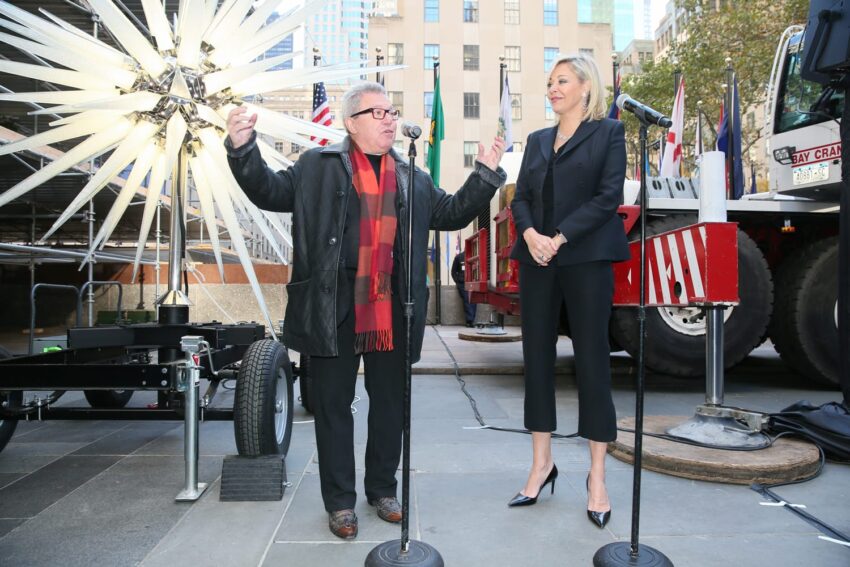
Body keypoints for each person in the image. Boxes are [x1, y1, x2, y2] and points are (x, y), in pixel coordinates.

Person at [225, 82, 506, 539]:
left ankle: (382, 489)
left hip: (393, 305)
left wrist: (486, 173)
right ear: (351, 123)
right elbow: (269, 192)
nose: (390, 120)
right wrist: (243, 149)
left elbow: (451, 213)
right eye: (378, 113)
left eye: (392, 111)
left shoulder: (412, 174)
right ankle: (339, 502)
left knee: (390, 403)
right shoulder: (317, 166)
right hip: (331, 302)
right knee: (333, 405)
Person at [507, 53, 629, 529]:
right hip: (537, 261)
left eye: (561, 81)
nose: (553, 88)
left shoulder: (609, 133)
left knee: (593, 361)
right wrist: (532, 234)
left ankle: (597, 476)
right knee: (535, 358)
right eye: (549, 82)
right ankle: (542, 464)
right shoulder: (537, 141)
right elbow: (519, 197)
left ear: (585, 87)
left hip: (586, 258)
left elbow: (608, 196)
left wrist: (559, 237)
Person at [451, 251, 476, 327]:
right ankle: (469, 321)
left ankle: (471, 320)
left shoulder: (475, 256)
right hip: (463, 283)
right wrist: (457, 281)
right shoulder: (459, 257)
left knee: (474, 300)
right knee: (467, 299)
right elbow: (453, 271)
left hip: (473, 282)